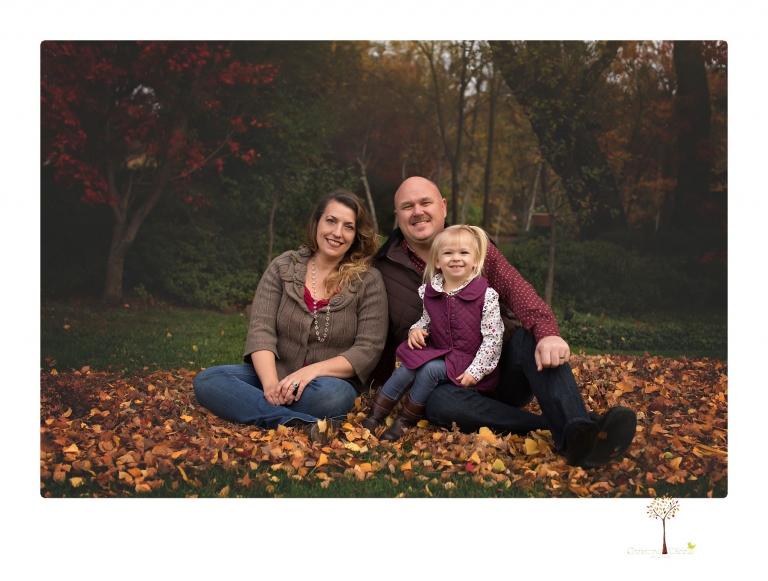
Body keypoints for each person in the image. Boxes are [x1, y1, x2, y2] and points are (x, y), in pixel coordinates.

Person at [371, 177, 637, 468]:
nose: (417, 211)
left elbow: (516, 289)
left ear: (443, 207)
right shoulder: (383, 267)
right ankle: (569, 429)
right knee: (438, 404)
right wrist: (370, 386)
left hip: (504, 367)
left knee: (531, 336)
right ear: (397, 216)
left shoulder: (476, 246)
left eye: (425, 202)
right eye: (407, 206)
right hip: (452, 385)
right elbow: (377, 335)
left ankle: (576, 430)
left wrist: (547, 333)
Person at [194, 190, 388, 442]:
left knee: (331, 398)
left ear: (355, 235)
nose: (337, 233)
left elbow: (368, 348)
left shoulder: (368, 280)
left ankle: (253, 409)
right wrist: (270, 385)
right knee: (208, 380)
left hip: (327, 383)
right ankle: (291, 420)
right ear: (316, 223)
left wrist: (310, 373)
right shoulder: (283, 266)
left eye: (348, 226)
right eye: (331, 221)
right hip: (275, 373)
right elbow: (261, 330)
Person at [363, 225, 504, 441]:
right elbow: (427, 320)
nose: (456, 258)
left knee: (429, 370)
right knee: (407, 367)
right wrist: (416, 329)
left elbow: (493, 340)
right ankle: (376, 414)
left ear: (476, 260)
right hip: (441, 352)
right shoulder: (432, 290)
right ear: (438, 261)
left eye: (464, 253)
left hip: (470, 363)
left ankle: (405, 420)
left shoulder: (486, 296)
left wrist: (476, 371)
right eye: (448, 253)